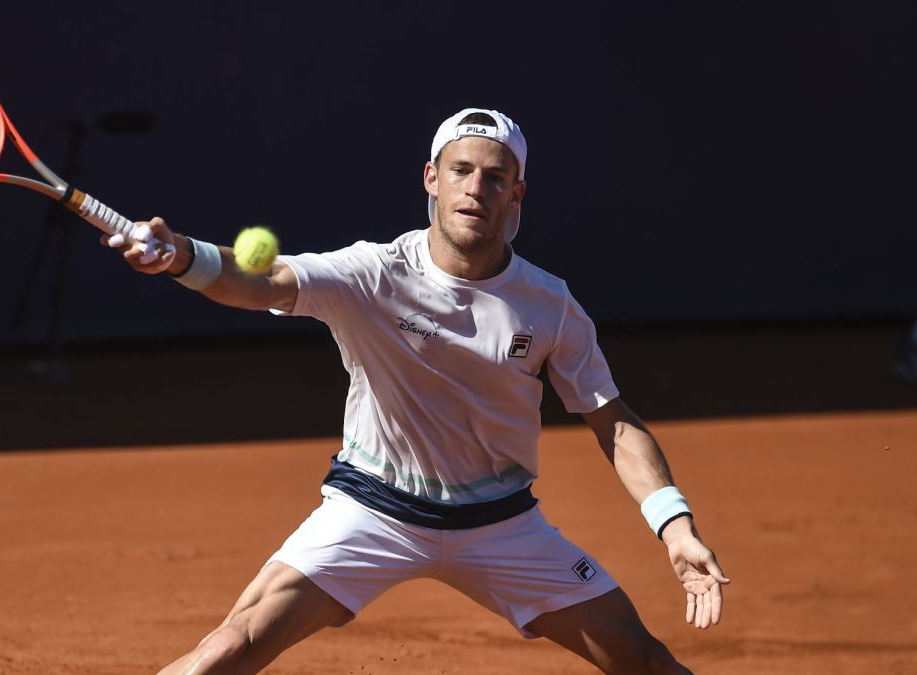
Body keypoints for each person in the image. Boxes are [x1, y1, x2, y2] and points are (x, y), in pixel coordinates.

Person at [104, 108, 730, 674]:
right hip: (372, 512)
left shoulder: (550, 305)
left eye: (495, 177)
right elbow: (263, 281)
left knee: (645, 661)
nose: (475, 189)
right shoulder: (373, 274)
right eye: (461, 171)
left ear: (517, 193)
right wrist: (181, 256)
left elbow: (612, 422)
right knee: (231, 647)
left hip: (502, 525)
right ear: (432, 178)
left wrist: (675, 527)